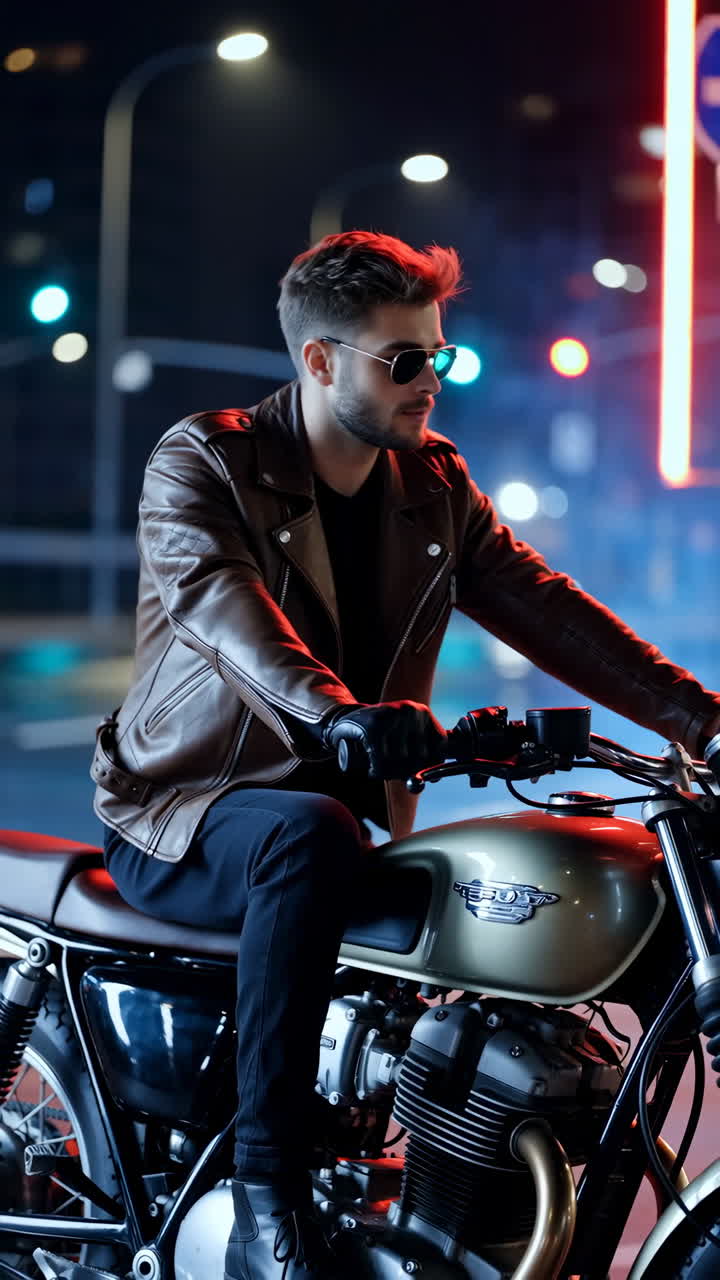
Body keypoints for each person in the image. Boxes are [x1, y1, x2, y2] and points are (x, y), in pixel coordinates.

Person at [92, 230, 720, 1279]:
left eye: (441, 354)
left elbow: (546, 607)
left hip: (342, 816)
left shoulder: (430, 483)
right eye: (406, 359)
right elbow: (221, 607)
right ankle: (266, 1199)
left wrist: (701, 720)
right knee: (308, 827)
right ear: (323, 361)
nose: (433, 380)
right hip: (190, 806)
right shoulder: (207, 458)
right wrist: (333, 712)